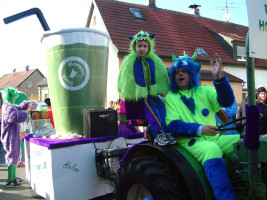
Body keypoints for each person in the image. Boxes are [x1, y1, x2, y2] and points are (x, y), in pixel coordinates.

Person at [165, 52, 240, 200]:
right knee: (211, 150)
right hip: (191, 142)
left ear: (191, 73)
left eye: (184, 71)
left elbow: (226, 101)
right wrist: (200, 129)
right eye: (177, 72)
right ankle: (225, 197)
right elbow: (173, 125)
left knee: (242, 142)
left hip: (215, 137)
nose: (180, 74)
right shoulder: (171, 98)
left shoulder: (205, 91)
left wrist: (218, 78)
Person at [117, 30, 175, 145]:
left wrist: (162, 89)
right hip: (139, 97)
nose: (142, 49)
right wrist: (133, 92)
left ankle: (166, 132)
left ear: (149, 46)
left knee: (162, 109)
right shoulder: (129, 61)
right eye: (139, 46)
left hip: (153, 94)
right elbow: (125, 79)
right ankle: (158, 134)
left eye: (145, 46)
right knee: (153, 112)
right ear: (134, 46)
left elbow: (160, 75)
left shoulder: (154, 60)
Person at [0, 87, 37, 187]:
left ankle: (13, 177)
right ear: (11, 96)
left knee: (15, 156)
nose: (16, 97)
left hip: (13, 135)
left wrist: (26, 104)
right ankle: (9, 179)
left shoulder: (9, 105)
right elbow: (15, 117)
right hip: (10, 136)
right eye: (15, 95)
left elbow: (18, 108)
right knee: (11, 156)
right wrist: (28, 109)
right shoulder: (7, 107)